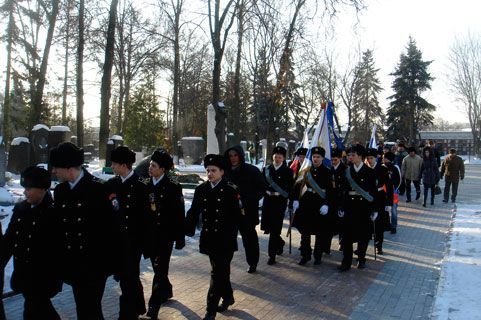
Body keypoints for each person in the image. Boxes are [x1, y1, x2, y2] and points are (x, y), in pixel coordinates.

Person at [50, 142, 116, 320]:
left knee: (90, 309)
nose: (54, 171)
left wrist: (116, 263)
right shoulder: (61, 191)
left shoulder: (99, 188)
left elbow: (113, 230)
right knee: (84, 308)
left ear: (69, 168)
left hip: (95, 265)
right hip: (73, 265)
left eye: (57, 167)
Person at [185, 154, 242, 320]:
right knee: (221, 272)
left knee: (217, 273)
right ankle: (228, 296)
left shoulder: (231, 189)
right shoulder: (201, 189)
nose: (210, 173)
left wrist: (245, 232)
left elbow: (239, 215)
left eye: (213, 170)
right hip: (209, 238)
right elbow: (194, 212)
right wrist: (186, 230)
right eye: (208, 170)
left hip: (226, 239)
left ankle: (210, 311)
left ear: (222, 171)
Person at [0, 167, 62, 319]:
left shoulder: (52, 214)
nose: (25, 193)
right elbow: (9, 241)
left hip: (43, 280)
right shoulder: (21, 210)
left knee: (36, 310)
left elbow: (58, 251)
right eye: (24, 189)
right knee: (37, 311)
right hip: (24, 276)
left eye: (29, 189)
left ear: (42, 189)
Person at [141, 150, 185, 320]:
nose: (150, 168)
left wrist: (180, 237)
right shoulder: (145, 184)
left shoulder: (173, 186)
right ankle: (166, 290)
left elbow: (179, 213)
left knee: (160, 271)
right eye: (150, 165)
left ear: (163, 169)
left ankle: (153, 308)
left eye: (154, 166)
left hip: (166, 236)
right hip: (150, 235)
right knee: (157, 267)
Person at [108, 146, 150, 320]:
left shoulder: (141, 186)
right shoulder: (111, 185)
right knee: (128, 276)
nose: (112, 167)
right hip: (116, 241)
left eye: (114, 163)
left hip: (134, 241)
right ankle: (138, 305)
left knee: (128, 277)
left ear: (124, 165)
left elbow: (147, 217)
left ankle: (126, 314)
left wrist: (146, 242)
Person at [224, 146, 265, 273]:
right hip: (229, 212)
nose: (233, 158)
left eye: (235, 155)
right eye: (230, 156)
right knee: (227, 240)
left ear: (240, 156)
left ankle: (253, 262)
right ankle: (224, 266)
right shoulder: (224, 171)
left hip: (246, 211)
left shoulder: (251, 170)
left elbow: (261, 187)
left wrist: (249, 200)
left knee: (249, 239)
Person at [338, 144, 377, 271]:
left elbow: (373, 192)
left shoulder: (370, 172)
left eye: (353, 155)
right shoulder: (347, 171)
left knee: (363, 235)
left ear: (360, 156)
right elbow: (343, 190)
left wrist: (374, 209)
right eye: (349, 155)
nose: (350, 157)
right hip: (350, 206)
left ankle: (361, 258)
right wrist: (341, 207)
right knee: (347, 236)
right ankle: (346, 261)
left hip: (364, 207)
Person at [292, 147, 333, 266]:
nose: (315, 159)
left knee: (319, 232)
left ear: (322, 158)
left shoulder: (327, 172)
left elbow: (330, 190)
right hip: (306, 203)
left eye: (318, 157)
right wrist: (295, 200)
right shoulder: (305, 170)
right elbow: (297, 186)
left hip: (319, 203)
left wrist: (326, 204)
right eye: (314, 157)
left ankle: (318, 256)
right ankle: (305, 255)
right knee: (305, 232)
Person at [260, 146, 294, 265]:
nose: (277, 159)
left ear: (284, 158)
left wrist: (292, 202)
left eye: (280, 157)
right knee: (267, 227)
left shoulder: (288, 171)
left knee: (275, 229)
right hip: (267, 200)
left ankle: (272, 255)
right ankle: (280, 243)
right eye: (276, 156)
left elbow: (291, 188)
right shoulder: (266, 169)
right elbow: (261, 185)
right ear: (272, 157)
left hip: (279, 202)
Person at [365, 149, 392, 255]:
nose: (369, 160)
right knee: (367, 222)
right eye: (367, 158)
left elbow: (389, 186)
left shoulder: (382, 169)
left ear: (375, 158)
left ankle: (378, 245)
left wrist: (389, 202)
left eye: (371, 158)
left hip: (380, 197)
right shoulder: (365, 169)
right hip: (367, 197)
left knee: (379, 224)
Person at [329, 148, 348, 251]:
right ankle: (327, 244)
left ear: (340, 159)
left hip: (341, 199)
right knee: (331, 222)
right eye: (332, 159)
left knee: (342, 222)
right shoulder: (329, 169)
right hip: (332, 199)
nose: (333, 161)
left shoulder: (345, 169)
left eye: (335, 160)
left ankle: (342, 241)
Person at [383, 152, 401, 234]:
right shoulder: (382, 167)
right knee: (384, 210)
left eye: (385, 158)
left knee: (394, 210)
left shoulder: (395, 168)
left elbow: (399, 180)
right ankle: (386, 225)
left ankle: (393, 226)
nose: (383, 159)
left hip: (394, 193)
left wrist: (395, 188)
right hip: (383, 193)